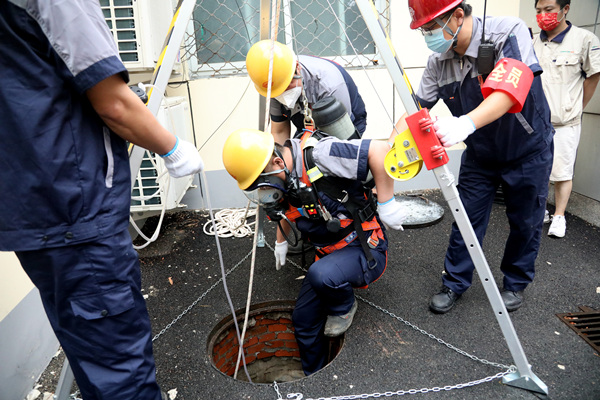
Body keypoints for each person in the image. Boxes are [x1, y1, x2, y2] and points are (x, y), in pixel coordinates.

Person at [0, 2, 203, 399]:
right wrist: (172, 147)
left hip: (34, 216)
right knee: (122, 374)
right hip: (78, 214)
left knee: (91, 356)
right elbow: (113, 103)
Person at [399, 0, 554, 313]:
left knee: (526, 221)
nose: (428, 36)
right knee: (465, 218)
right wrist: (387, 157)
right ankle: (454, 282)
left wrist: (464, 123)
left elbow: (509, 91)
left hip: (527, 150)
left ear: (458, 15)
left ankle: (515, 282)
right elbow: (414, 112)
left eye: (431, 27)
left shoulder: (505, 33)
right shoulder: (438, 63)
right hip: (481, 154)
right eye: (423, 30)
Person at [222, 128, 406, 375]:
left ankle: (344, 307)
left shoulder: (320, 155)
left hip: (364, 248)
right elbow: (288, 207)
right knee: (303, 320)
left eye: (262, 181)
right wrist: (280, 241)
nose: (263, 190)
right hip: (329, 254)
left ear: (278, 162)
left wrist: (387, 202)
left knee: (321, 274)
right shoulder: (285, 177)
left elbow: (380, 150)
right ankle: (313, 377)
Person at [532, 0, 600, 238]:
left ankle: (559, 216)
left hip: (565, 121)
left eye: (549, 9)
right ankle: (540, 211)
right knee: (537, 170)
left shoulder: (584, 39)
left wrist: (577, 107)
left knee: (562, 171)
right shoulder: (532, 42)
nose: (543, 15)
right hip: (535, 123)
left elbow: (593, 76)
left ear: (565, 9)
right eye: (539, 11)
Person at [246, 40, 367, 144]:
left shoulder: (330, 85)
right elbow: (279, 132)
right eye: (279, 91)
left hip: (343, 126)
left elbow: (343, 141)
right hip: (305, 124)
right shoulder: (274, 85)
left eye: (287, 85)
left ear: (297, 68)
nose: (284, 93)